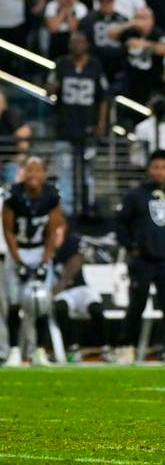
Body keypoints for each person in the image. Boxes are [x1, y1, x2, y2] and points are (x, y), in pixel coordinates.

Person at [115, 149, 165, 365]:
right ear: (149, 169)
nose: (159, 172)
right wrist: (131, 247)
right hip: (142, 260)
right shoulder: (135, 196)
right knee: (136, 305)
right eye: (156, 167)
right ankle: (127, 347)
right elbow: (120, 223)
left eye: (163, 168)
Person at [1, 157, 63, 367]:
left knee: (42, 302)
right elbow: (8, 230)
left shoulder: (51, 196)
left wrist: (45, 262)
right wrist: (18, 261)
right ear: (23, 172)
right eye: (29, 170)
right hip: (18, 250)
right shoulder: (13, 195)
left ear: (44, 174)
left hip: (39, 251)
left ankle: (40, 351)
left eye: (37, 170)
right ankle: (15, 351)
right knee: (14, 302)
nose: (33, 175)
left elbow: (53, 231)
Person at [46, 31, 107, 217]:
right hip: (65, 126)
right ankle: (68, 210)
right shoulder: (61, 64)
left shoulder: (95, 66)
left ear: (87, 44)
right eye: (74, 41)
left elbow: (103, 97)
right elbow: (48, 90)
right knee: (64, 170)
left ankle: (86, 207)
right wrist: (52, 87)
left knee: (88, 171)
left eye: (80, 41)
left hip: (87, 127)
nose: (77, 45)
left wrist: (101, 122)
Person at [51, 228, 113, 363]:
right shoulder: (43, 248)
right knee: (60, 308)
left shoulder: (71, 241)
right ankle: (71, 347)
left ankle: (105, 348)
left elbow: (77, 259)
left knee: (96, 308)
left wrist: (61, 283)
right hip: (62, 294)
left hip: (79, 288)